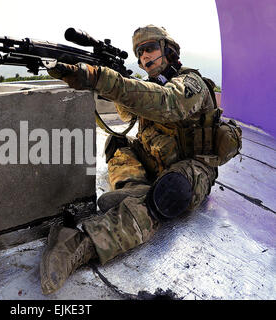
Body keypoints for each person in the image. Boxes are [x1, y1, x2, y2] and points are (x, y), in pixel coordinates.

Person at [40, 25, 221, 295]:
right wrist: (98, 82)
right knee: (118, 143)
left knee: (170, 195)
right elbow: (127, 117)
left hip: (191, 167)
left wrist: (102, 78)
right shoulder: (152, 85)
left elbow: (168, 103)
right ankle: (133, 189)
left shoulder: (190, 83)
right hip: (156, 159)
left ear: (169, 50)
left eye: (150, 48)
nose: (144, 57)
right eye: (139, 53)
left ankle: (79, 243)